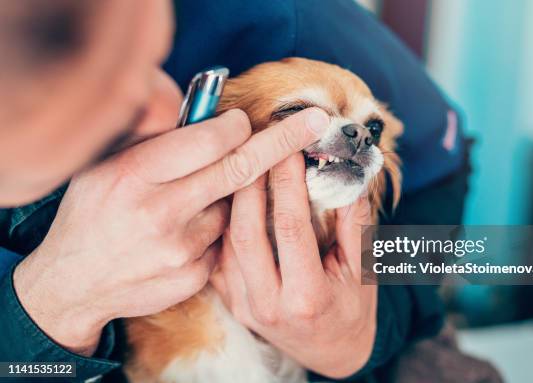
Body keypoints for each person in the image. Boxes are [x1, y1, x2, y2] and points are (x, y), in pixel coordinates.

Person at [0, 0, 468, 382]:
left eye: (147, 60)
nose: (165, 114)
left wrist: (373, 325)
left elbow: (443, 164)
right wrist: (49, 310)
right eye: (104, 133)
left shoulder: (292, 27)